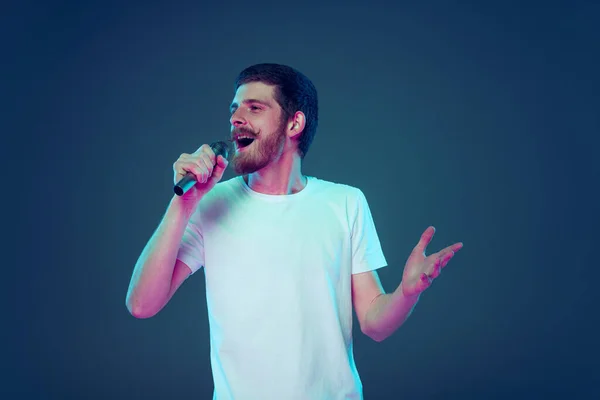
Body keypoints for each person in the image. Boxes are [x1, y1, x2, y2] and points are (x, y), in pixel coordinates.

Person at [125, 63, 463, 399]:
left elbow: (374, 324)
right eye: (234, 109)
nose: (235, 118)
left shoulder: (346, 203)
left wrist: (407, 292)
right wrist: (183, 204)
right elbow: (142, 304)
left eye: (254, 108)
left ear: (294, 123)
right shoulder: (211, 203)